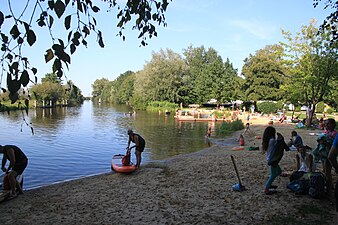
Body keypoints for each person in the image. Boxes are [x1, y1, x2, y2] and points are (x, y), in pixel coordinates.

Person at [262, 126, 288, 195]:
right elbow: (279, 145)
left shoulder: (268, 140)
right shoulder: (272, 140)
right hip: (273, 160)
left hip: (270, 159)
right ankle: (266, 189)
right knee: (273, 175)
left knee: (279, 171)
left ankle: (269, 185)